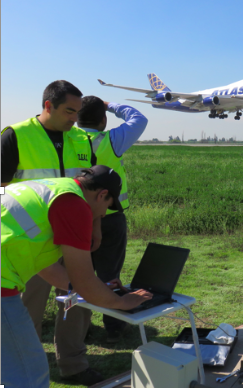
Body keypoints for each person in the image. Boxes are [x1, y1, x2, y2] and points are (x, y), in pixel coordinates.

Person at [1, 166, 153, 388]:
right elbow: (83, 279)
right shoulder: (74, 204)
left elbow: (47, 268)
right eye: (107, 207)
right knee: (29, 374)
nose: (102, 214)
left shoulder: (49, 188)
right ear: (102, 195)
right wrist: (121, 302)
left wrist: (98, 288)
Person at [0, 80, 104, 385]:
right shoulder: (15, 135)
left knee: (77, 300)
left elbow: (91, 186)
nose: (75, 118)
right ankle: (25, 361)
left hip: (73, 235)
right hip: (31, 242)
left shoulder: (80, 139)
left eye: (78, 111)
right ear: (48, 106)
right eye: (69, 111)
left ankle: (73, 364)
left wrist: (95, 224)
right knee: (27, 305)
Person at [76, 96, 148, 343]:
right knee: (110, 272)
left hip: (75, 218)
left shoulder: (66, 141)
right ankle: (115, 326)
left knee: (76, 274)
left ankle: (77, 328)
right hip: (112, 216)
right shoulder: (111, 140)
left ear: (76, 117)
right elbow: (139, 118)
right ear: (103, 120)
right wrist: (112, 105)